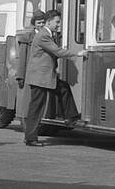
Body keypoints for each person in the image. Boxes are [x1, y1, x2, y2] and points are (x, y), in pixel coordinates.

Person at [22, 10, 85, 146]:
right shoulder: (44, 35)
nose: (58, 25)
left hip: (44, 77)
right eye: (57, 22)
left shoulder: (47, 34)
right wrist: (77, 53)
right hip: (40, 78)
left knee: (63, 88)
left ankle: (70, 118)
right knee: (36, 107)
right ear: (48, 21)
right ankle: (30, 138)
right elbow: (57, 51)